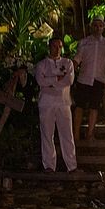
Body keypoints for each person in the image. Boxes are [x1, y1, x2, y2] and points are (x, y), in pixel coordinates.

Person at [35, 37, 77, 172]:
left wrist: (51, 81)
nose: (57, 49)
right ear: (49, 47)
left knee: (67, 135)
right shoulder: (42, 64)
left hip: (63, 103)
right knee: (47, 134)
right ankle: (49, 165)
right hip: (46, 104)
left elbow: (69, 80)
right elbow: (41, 81)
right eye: (54, 46)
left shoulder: (68, 63)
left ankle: (72, 166)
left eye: (60, 46)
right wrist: (56, 79)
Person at [73, 17, 105, 141]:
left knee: (94, 107)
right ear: (91, 27)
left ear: (103, 27)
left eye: (100, 26)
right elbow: (77, 59)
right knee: (79, 106)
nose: (97, 28)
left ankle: (90, 134)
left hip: (99, 79)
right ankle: (75, 134)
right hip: (83, 79)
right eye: (95, 25)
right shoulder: (84, 42)